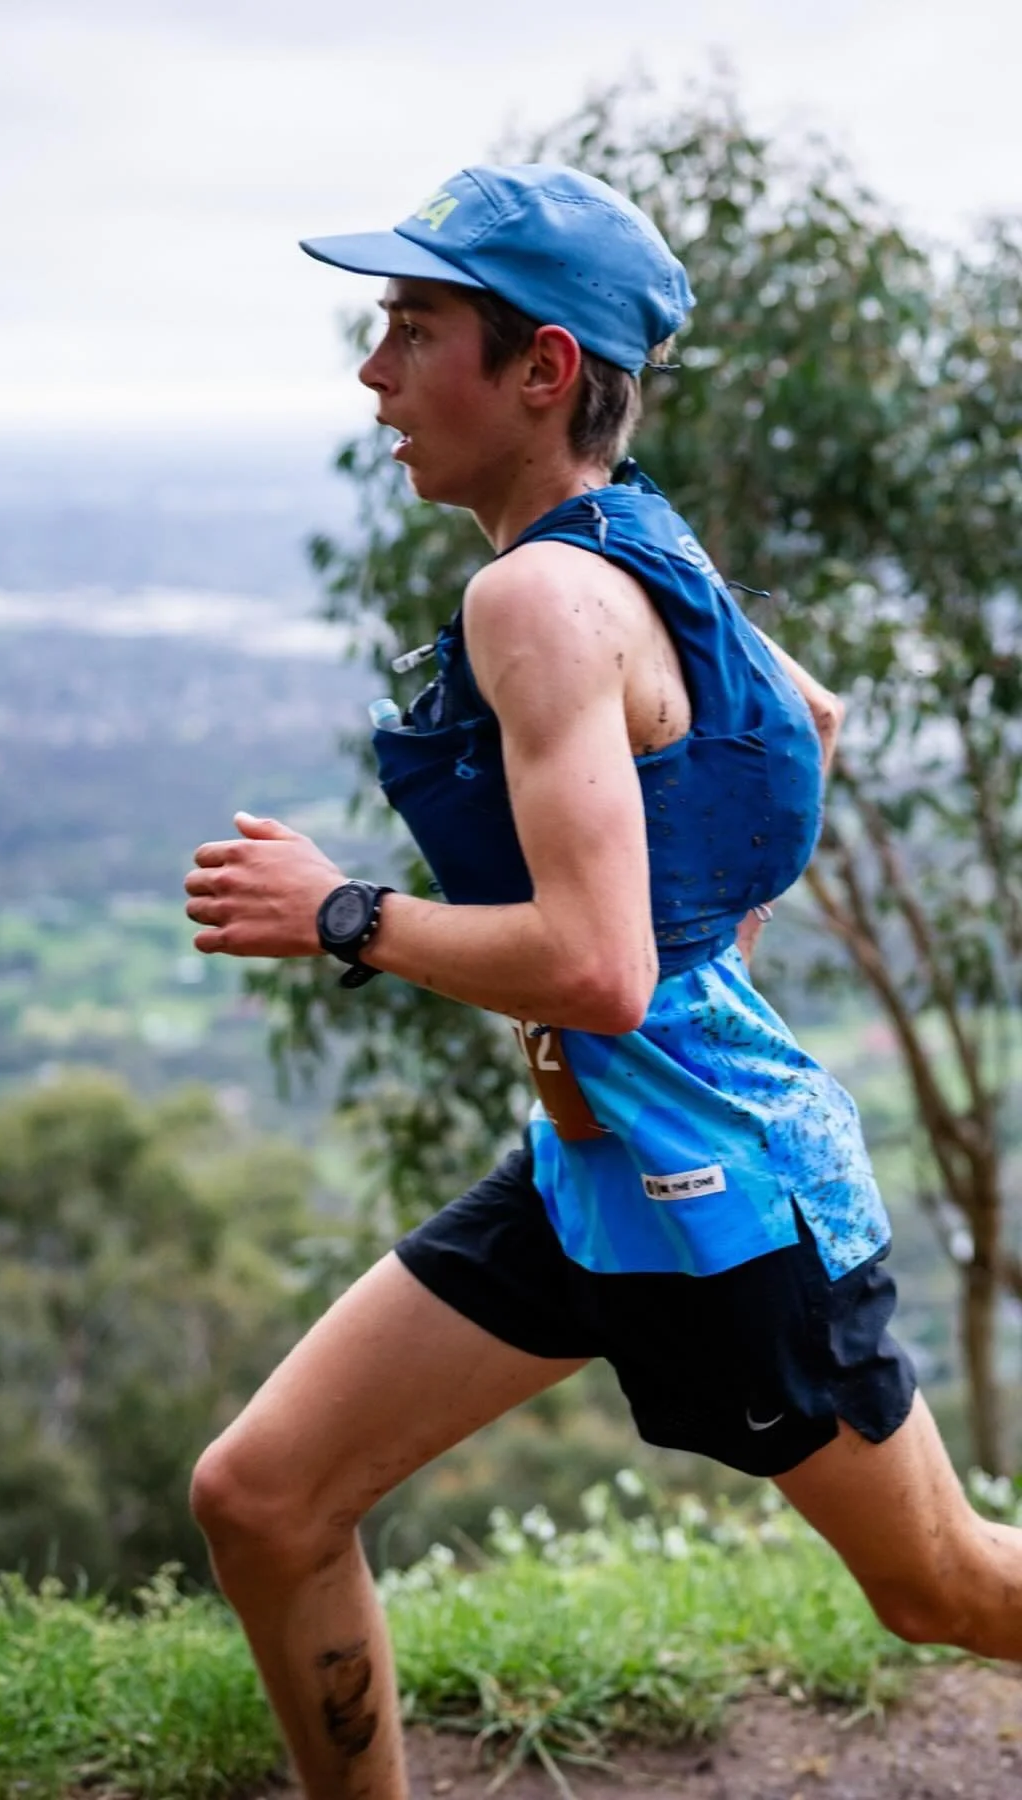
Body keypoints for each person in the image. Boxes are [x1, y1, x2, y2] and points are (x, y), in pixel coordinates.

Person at [182, 164, 1022, 1800]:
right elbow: (809, 723)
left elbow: (597, 969)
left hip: (726, 1201)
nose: (374, 375)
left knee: (943, 1587)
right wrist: (700, 968)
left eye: (414, 332)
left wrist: (343, 914)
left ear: (544, 369)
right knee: (264, 1497)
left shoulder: (540, 597)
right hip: (598, 1166)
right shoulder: (635, 546)